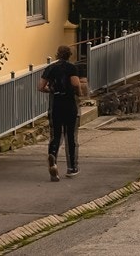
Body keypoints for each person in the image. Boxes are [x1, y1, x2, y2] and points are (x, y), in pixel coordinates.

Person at [39, 45, 85, 180]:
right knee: (71, 136)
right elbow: (76, 84)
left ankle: (53, 158)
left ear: (57, 55)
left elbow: (40, 87)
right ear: (69, 55)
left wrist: (52, 90)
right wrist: (80, 94)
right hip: (69, 104)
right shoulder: (71, 68)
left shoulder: (50, 68)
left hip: (56, 104)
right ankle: (72, 168)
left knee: (55, 136)